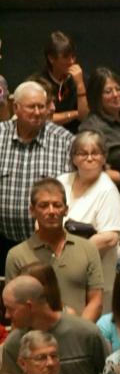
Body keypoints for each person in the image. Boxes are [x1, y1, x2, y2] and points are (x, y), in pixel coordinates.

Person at [5, 179, 104, 323]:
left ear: (66, 209)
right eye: (44, 206)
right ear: (32, 210)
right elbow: (14, 306)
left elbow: (96, 301)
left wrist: (77, 333)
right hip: (35, 340)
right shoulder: (16, 255)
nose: (51, 211)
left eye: (57, 205)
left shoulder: (87, 248)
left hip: (79, 337)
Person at [0, 82, 73, 257]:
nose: (38, 112)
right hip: (2, 242)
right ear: (15, 107)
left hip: (48, 244)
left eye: (42, 106)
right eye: (31, 106)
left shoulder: (65, 141)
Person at [56, 132, 120, 276]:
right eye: (82, 153)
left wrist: (70, 254)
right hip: (60, 264)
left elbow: (109, 237)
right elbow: (41, 218)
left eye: (95, 153)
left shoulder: (108, 189)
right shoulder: (61, 182)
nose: (89, 158)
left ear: (104, 158)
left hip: (97, 271)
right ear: (74, 158)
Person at [77, 69, 120, 200]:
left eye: (118, 89)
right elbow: (87, 169)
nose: (116, 94)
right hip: (116, 197)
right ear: (96, 96)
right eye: (108, 91)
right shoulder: (92, 127)